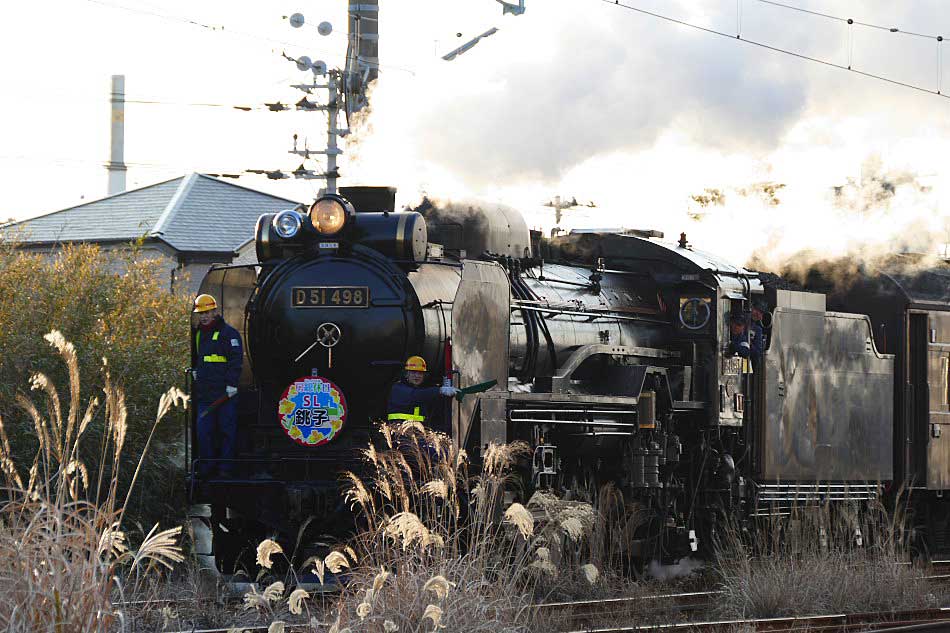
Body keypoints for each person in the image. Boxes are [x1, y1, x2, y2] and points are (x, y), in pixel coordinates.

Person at [192, 293, 243, 478]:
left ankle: (225, 470)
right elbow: (201, 358)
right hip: (205, 395)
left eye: (207, 312)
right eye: (201, 313)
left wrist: (232, 383)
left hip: (224, 395)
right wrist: (196, 370)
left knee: (226, 432)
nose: (204, 316)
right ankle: (206, 470)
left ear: (215, 311)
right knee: (204, 433)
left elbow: (236, 359)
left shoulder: (229, 334)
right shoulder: (199, 334)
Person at [387, 356, 458, 434]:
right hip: (401, 432)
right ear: (407, 374)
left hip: (417, 432)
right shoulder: (398, 388)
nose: (417, 376)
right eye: (413, 372)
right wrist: (440, 390)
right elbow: (416, 396)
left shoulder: (421, 389)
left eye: (420, 373)